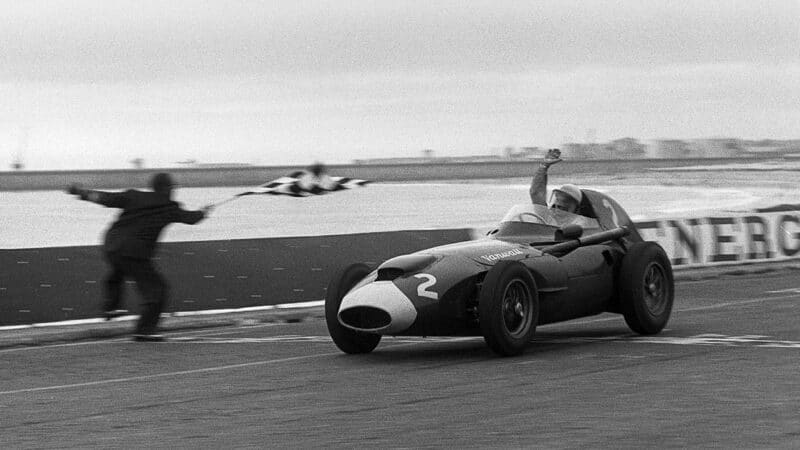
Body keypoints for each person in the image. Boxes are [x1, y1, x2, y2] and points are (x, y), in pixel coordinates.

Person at [67, 173, 212, 342]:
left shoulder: (134, 196)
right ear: (168, 189)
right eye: (172, 188)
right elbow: (191, 219)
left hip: (112, 245)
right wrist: (204, 212)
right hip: (135, 253)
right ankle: (145, 329)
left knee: (117, 272)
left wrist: (81, 192)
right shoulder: (170, 207)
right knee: (157, 289)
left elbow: (106, 198)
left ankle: (111, 307)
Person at [529, 148, 583, 214]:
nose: (560, 204)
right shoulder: (548, 217)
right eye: (558, 199)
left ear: (575, 206)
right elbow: (536, 193)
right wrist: (543, 167)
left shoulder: (579, 223)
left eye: (565, 201)